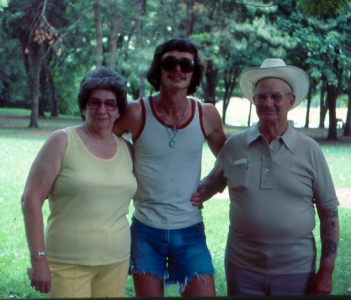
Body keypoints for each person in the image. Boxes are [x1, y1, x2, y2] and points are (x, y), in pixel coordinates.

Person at [191, 58, 340, 296]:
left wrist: (326, 270)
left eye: (276, 96)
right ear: (254, 101)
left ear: (290, 101)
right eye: (261, 96)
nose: (268, 102)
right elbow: (210, 185)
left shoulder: (310, 150)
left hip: (296, 271)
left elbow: (329, 213)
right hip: (242, 269)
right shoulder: (235, 145)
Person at [113, 38, 226, 297]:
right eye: (170, 62)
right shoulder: (136, 112)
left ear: (194, 71)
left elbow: (230, 160)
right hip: (145, 230)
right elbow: (103, 141)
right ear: (158, 67)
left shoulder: (205, 114)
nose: (178, 69)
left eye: (186, 64)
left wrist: (213, 184)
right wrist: (127, 163)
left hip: (189, 229)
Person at [21, 67, 137, 298]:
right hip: (67, 263)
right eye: (94, 102)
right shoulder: (62, 141)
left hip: (116, 262)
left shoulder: (127, 150)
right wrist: (38, 259)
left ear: (118, 111)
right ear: (83, 107)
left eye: (110, 104)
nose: (102, 109)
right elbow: (31, 200)